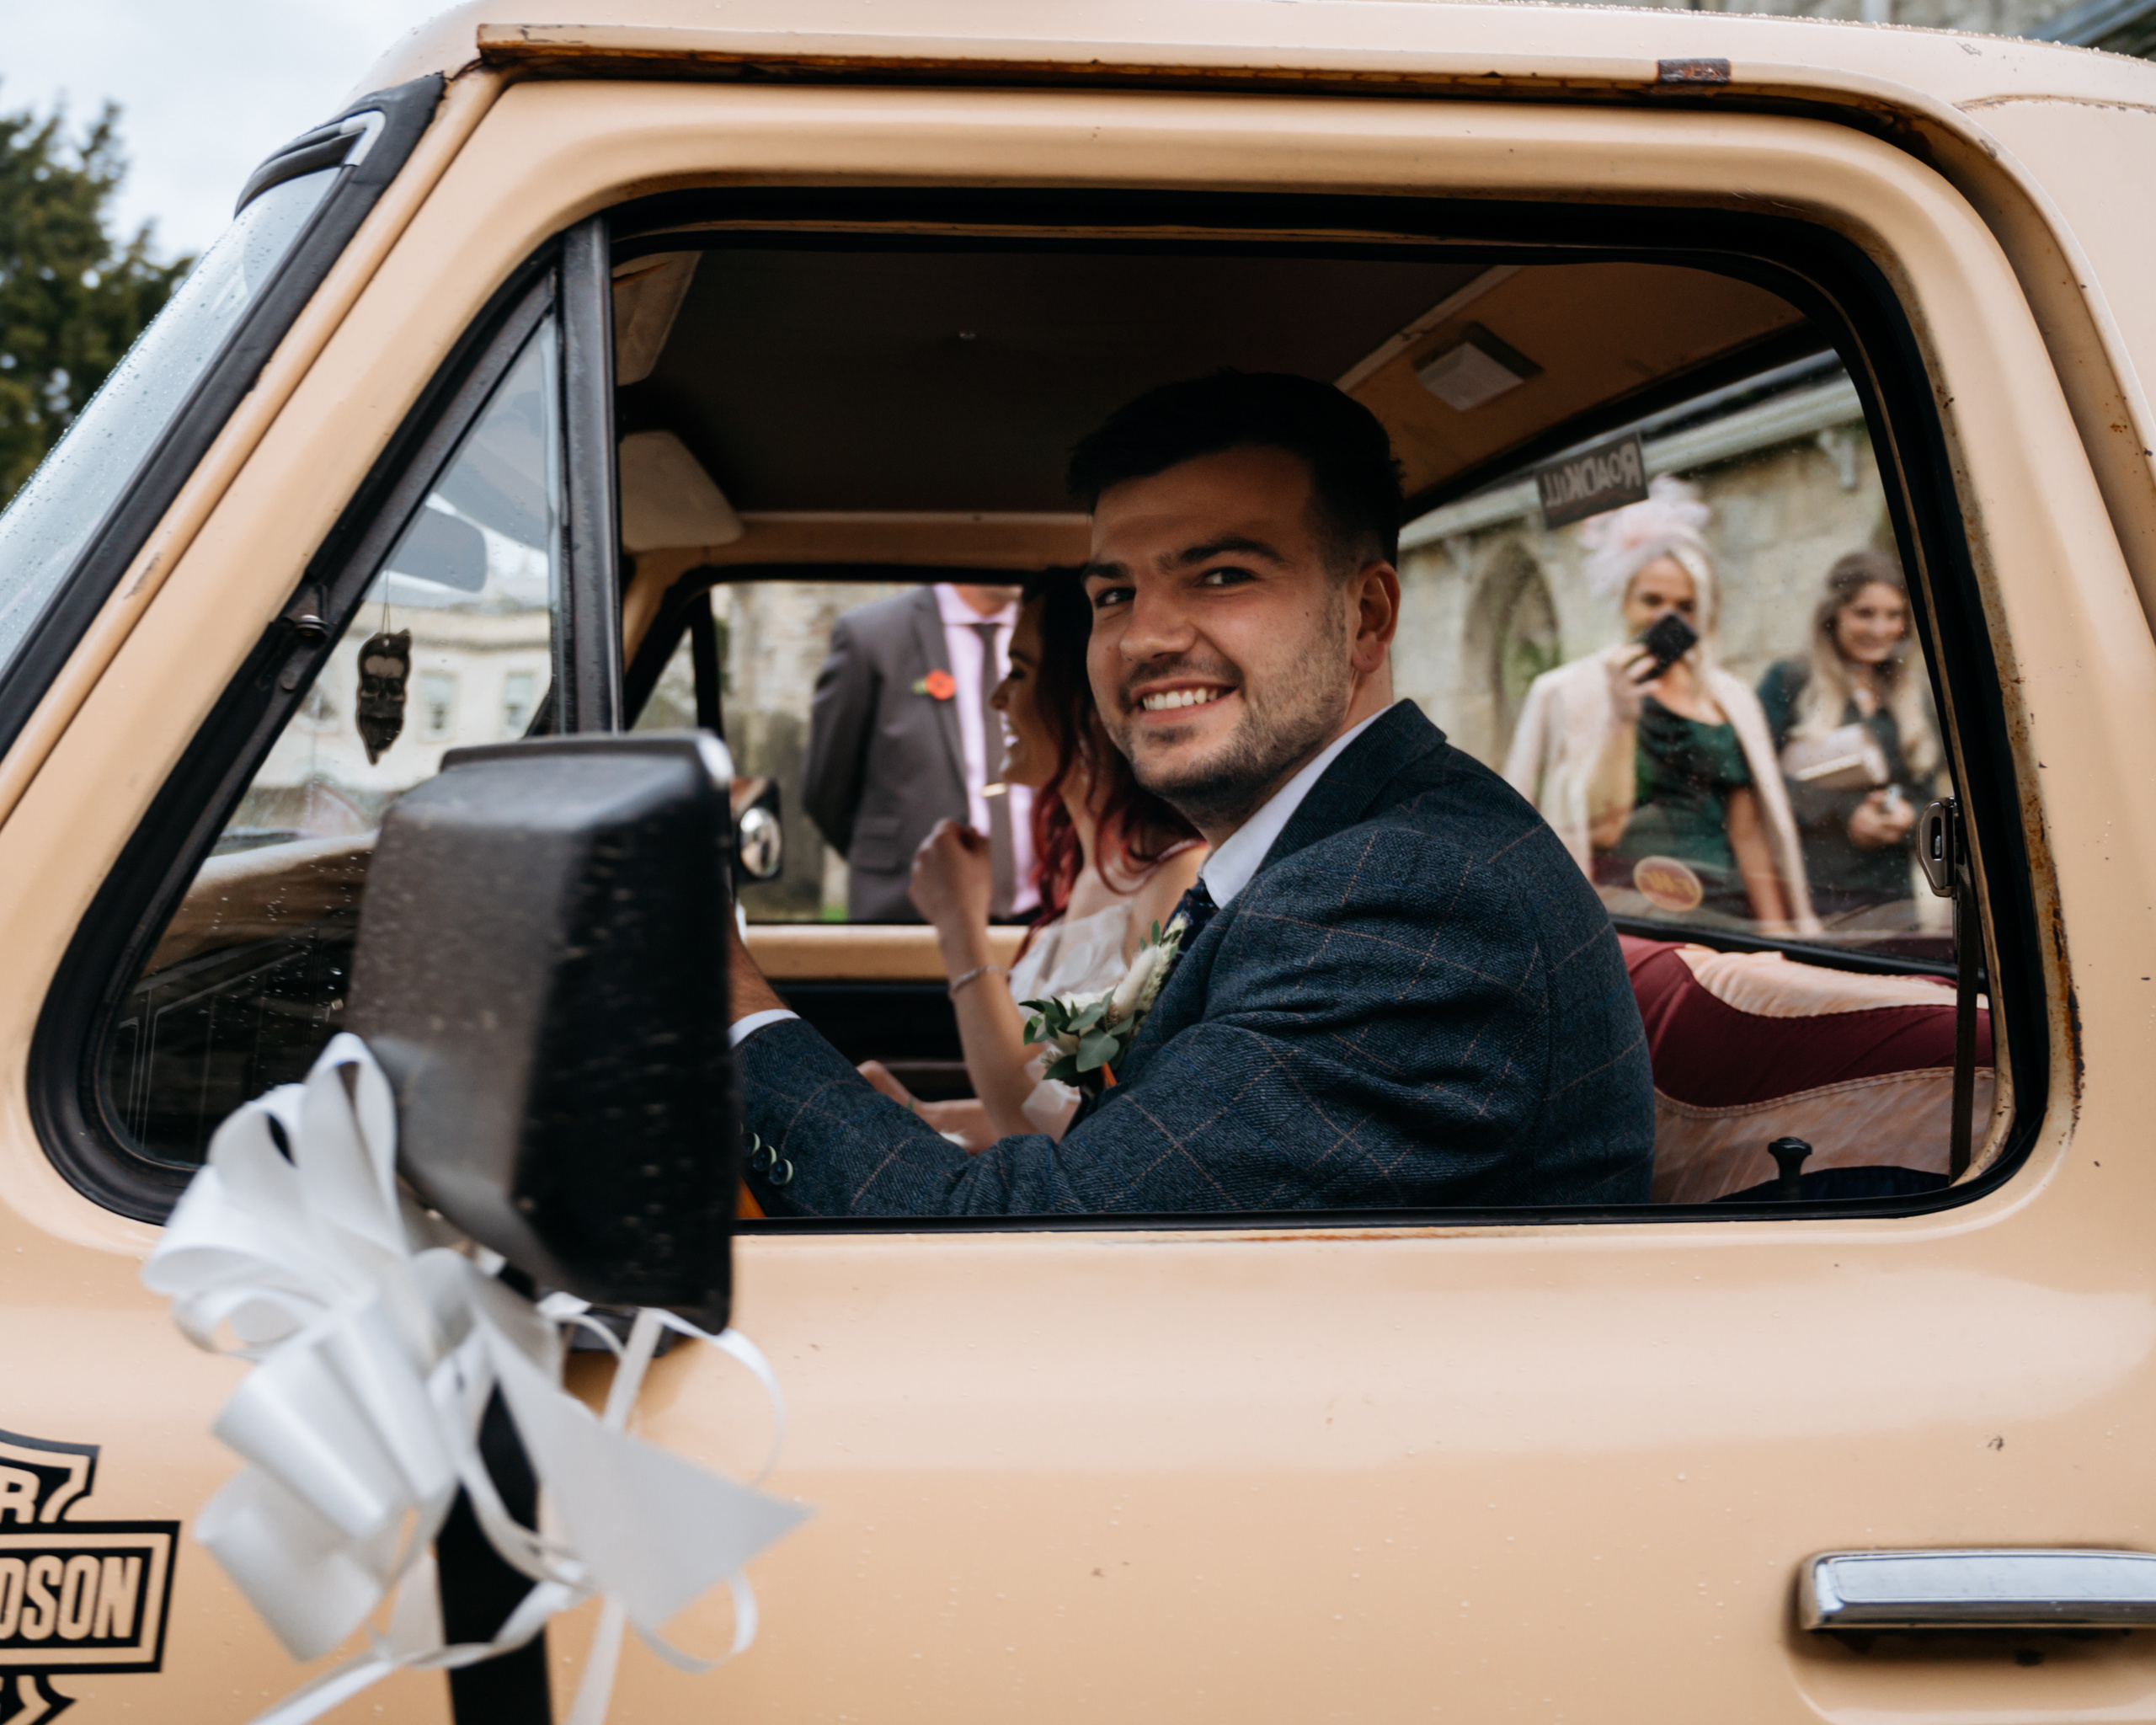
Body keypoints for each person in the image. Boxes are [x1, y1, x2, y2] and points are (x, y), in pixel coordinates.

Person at [725, 371, 1655, 1216]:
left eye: (1220, 576)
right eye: (1114, 593)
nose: (1143, 638)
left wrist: (718, 985)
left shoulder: (1417, 894)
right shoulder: (1324, 851)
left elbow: (1018, 1253)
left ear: (1365, 616)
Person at [859, 571, 1205, 1146]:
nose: (998, 698)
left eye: (1019, 672)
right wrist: (918, 1113)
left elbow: (1072, 1132)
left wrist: (959, 923)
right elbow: (1058, 1104)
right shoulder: (1093, 873)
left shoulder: (1177, 882)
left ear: (1083, 693)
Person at [1503, 478, 1817, 935]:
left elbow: (1748, 830)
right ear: (1624, 599)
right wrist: (1621, 717)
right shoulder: (1567, 692)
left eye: (1684, 606)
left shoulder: (1730, 698)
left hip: (1726, 912)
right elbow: (1600, 829)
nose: (1666, 617)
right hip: (1624, 916)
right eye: (1651, 600)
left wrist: (1780, 937)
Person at [801, 581, 1038, 922]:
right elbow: (827, 790)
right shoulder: (872, 635)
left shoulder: (1051, 629)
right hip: (905, 913)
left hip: (1036, 917)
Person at [1757, 550, 1941, 920]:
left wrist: (1905, 817)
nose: (1880, 630)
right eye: (1864, 613)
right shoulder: (1790, 680)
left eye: (1894, 615)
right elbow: (1756, 784)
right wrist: (1847, 813)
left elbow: (1926, 794)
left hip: (1894, 900)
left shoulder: (1914, 698)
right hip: (1815, 894)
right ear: (1833, 614)